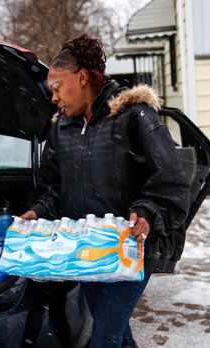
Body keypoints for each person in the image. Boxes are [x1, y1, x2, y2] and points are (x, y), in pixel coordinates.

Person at [19, 34, 190, 348]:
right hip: (86, 250)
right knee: (114, 330)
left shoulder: (133, 117)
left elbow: (170, 180)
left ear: (82, 78)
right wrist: (38, 211)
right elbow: (55, 189)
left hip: (129, 247)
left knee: (103, 338)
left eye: (57, 88)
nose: (53, 98)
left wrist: (148, 212)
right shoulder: (61, 129)